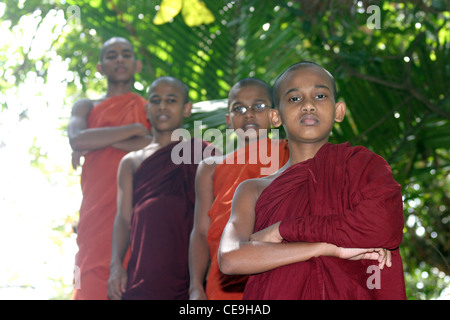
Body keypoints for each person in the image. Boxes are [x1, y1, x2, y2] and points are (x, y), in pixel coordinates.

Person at [218, 61, 406, 300]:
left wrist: (282, 230)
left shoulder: (363, 165)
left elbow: (381, 227)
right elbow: (230, 258)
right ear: (276, 117)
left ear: (339, 111)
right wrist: (328, 248)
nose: (308, 105)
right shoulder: (253, 189)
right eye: (294, 99)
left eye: (320, 95)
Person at [107, 76, 214, 300]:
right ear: (147, 109)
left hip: (192, 274)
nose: (162, 106)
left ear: (186, 109)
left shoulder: (204, 153)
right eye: (155, 100)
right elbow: (124, 219)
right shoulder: (131, 161)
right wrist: (116, 266)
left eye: (171, 100)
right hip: (144, 272)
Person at [188, 78, 290, 300]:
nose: (249, 114)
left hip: (280, 269)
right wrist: (195, 285)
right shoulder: (210, 167)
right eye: (239, 108)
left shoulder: (291, 153)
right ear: (228, 120)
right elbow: (201, 231)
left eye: (259, 106)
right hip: (224, 278)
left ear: (276, 115)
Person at [67, 37, 151, 300]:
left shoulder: (148, 108)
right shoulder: (86, 106)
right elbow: (77, 138)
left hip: (137, 209)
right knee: (89, 275)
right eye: (111, 55)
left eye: (125, 54)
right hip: (95, 210)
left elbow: (155, 147)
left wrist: (98, 139)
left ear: (136, 64)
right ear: (101, 67)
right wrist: (134, 132)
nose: (119, 59)